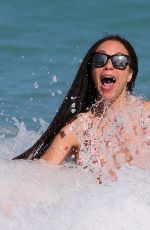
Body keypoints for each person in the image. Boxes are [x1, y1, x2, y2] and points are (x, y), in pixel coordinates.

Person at [14, 34, 150, 183]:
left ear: (130, 73)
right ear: (91, 70)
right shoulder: (77, 131)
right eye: (100, 60)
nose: (109, 65)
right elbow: (35, 179)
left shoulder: (147, 114)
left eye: (119, 61)